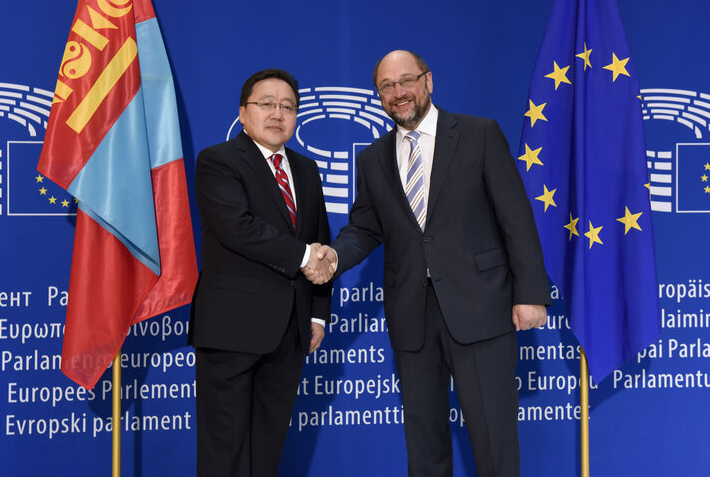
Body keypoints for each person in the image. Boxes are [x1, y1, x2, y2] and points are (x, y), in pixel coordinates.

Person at [309, 50, 550, 476]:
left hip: (482, 309)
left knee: (494, 441)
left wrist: (530, 293)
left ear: (429, 81)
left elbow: (516, 217)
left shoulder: (479, 134)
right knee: (424, 447)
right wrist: (333, 257)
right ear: (378, 95)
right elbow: (364, 228)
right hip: (412, 320)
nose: (399, 93)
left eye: (407, 80)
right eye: (387, 86)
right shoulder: (372, 158)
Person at [187, 68, 332, 476]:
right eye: (266, 104)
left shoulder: (306, 170)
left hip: (290, 331)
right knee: (225, 453)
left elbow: (320, 239)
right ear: (243, 113)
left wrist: (318, 313)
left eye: (287, 106)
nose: (277, 114)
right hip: (232, 330)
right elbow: (239, 228)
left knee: (268, 450)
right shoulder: (218, 161)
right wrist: (306, 258)